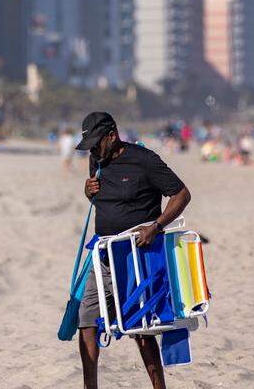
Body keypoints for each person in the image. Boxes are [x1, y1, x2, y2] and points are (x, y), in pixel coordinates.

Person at [75, 112, 191, 389]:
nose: (92, 150)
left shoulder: (144, 160)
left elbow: (182, 194)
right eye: (89, 145)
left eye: (96, 143)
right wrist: (88, 191)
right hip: (103, 253)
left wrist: (157, 226)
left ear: (112, 136)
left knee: (141, 328)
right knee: (86, 321)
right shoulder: (97, 159)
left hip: (136, 256)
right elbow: (102, 197)